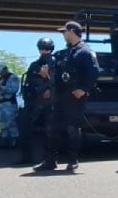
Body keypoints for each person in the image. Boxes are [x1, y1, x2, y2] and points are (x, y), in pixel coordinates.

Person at [36, 22, 99, 173]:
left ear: (72, 31)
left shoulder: (85, 51)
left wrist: (83, 89)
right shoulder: (64, 53)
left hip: (75, 97)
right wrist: (46, 75)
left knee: (72, 128)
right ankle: (50, 161)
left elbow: (94, 72)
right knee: (54, 129)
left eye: (64, 32)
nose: (63, 35)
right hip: (59, 96)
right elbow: (58, 75)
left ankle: (72, 160)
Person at [14, 37, 55, 166]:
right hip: (32, 101)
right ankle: (26, 157)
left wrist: (49, 88)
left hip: (49, 102)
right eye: (42, 48)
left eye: (46, 48)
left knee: (49, 131)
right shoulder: (34, 65)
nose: (44, 51)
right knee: (25, 128)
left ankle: (49, 160)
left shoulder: (55, 63)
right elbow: (28, 82)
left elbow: (57, 81)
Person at [0, 64, 20, 149]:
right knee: (2, 123)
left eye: (0, 72)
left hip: (9, 103)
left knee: (11, 122)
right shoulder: (1, 79)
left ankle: (15, 141)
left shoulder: (13, 78)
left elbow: (13, 90)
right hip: (1, 103)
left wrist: (1, 87)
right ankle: (5, 141)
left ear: (5, 69)